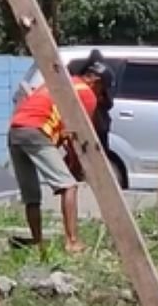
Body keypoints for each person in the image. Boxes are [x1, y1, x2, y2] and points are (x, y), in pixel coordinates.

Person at [8, 61, 107, 252]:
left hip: (15, 131)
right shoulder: (86, 92)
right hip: (37, 131)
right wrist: (77, 167)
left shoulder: (59, 84)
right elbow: (80, 134)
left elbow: (64, 131)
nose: (100, 97)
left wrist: (69, 156)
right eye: (102, 91)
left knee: (32, 196)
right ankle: (72, 242)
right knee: (69, 186)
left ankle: (38, 242)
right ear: (95, 81)